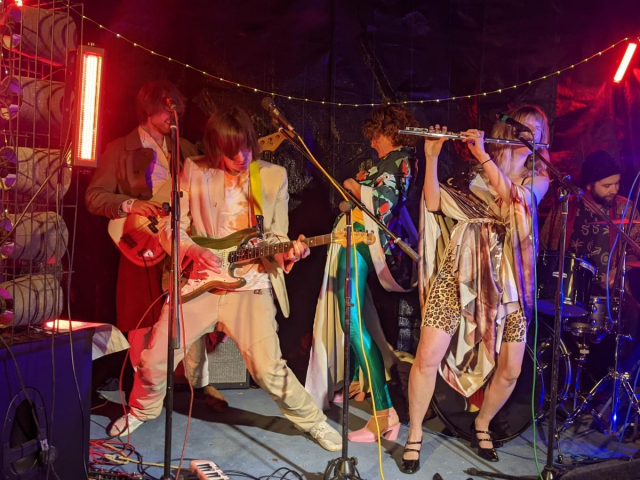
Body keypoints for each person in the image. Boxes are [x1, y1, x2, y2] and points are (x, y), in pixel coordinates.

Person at [107, 105, 342, 452]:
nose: (241, 158)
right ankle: (142, 410)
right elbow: (172, 228)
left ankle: (314, 422)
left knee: (268, 370)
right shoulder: (193, 169)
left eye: (246, 148)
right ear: (216, 149)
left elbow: (276, 236)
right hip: (198, 282)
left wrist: (289, 252)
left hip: (250, 284)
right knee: (156, 357)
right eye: (231, 153)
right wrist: (190, 250)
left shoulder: (273, 176)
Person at [401, 105, 551, 473]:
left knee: (511, 368)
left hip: (509, 282)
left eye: (538, 129)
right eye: (525, 127)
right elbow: (434, 203)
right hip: (460, 272)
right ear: (508, 130)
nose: (531, 134)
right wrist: (431, 157)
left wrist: (483, 155)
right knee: (427, 355)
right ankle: (415, 433)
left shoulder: (539, 178)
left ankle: (482, 423)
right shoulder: (471, 175)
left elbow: (515, 200)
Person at [85, 80, 228, 411]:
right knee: (142, 319)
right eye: (167, 109)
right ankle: (146, 387)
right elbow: (94, 197)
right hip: (140, 243)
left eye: (176, 110)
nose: (172, 117)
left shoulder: (186, 148)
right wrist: (131, 205)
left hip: (181, 240)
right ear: (149, 110)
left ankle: (199, 382)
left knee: (191, 310)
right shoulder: (120, 149)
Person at [306, 105, 419, 443]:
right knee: (356, 314)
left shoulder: (401, 160)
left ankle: (385, 414)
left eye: (375, 137)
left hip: (362, 241)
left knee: (352, 321)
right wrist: (354, 189)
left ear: (389, 133)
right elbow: (355, 200)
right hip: (353, 238)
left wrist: (356, 187)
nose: (372, 143)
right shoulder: (389, 163)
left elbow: (383, 206)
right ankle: (359, 382)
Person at [540, 150, 640, 371]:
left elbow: (637, 249)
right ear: (589, 185)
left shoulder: (625, 209)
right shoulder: (565, 208)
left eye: (617, 183)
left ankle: (618, 378)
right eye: (607, 185)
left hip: (611, 293)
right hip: (569, 292)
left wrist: (618, 271)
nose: (614, 189)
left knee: (635, 318)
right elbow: (545, 248)